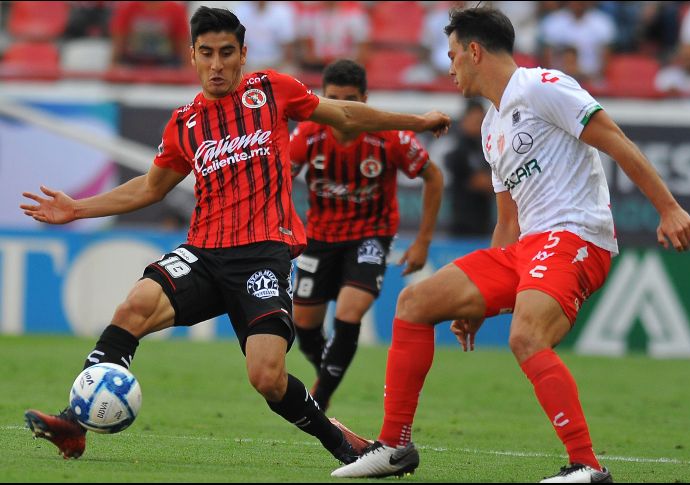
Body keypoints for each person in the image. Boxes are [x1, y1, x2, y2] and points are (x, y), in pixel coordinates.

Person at [20, 6, 450, 463]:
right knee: (135, 306)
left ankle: (351, 447)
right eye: (206, 53)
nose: (217, 64)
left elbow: (343, 114)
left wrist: (416, 122)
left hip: (262, 255)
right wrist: (77, 208)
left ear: (243, 54)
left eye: (227, 53)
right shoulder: (184, 122)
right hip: (203, 252)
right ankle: (73, 421)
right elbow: (149, 187)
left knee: (267, 377)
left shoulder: (271, 90)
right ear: (192, 56)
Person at [332, 6, 690, 482]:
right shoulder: (491, 126)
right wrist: (478, 302)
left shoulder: (543, 87)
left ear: (474, 51)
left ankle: (586, 467)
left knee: (525, 336)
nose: (449, 67)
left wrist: (668, 208)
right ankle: (395, 446)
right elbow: (508, 222)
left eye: (452, 55)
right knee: (415, 302)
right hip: (528, 245)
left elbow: (616, 141)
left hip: (576, 236)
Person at [289, 59, 444, 412]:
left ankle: (321, 396)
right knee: (305, 326)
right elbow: (279, 178)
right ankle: (328, 370)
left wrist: (422, 241)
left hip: (370, 236)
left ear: (365, 98)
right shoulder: (309, 135)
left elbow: (433, 177)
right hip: (320, 237)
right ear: (321, 99)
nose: (342, 108)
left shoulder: (389, 137)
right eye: (333, 99)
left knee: (349, 312)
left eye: (350, 100)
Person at [445, 98, 495, 236]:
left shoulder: (486, 148)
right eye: (475, 121)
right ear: (464, 121)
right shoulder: (459, 150)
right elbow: (480, 182)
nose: (478, 125)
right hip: (463, 226)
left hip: (484, 224)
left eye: (481, 121)